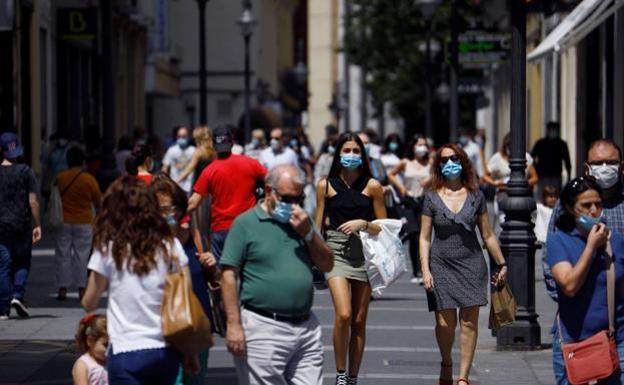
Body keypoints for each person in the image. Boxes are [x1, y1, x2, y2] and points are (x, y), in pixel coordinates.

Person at [221, 164, 334, 385]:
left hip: (305, 326)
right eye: (287, 198)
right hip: (264, 327)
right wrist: (233, 325)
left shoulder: (302, 220)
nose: (292, 205)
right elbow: (228, 275)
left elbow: (327, 264)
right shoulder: (246, 224)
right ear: (269, 190)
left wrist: (309, 234)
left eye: (298, 198)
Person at [82, 177, 197, 384]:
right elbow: (185, 300)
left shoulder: (109, 248)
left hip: (126, 350)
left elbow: (89, 302)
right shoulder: (170, 246)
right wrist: (190, 350)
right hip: (164, 351)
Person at [419, 143, 507, 385]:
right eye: (445, 160)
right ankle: (446, 361)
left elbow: (488, 235)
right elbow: (424, 237)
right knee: (444, 324)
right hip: (440, 265)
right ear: (438, 166)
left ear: (463, 162)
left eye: (455, 158)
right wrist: (425, 270)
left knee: (468, 322)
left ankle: (463, 378)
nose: (450, 164)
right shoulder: (431, 198)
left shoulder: (476, 196)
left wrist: (501, 262)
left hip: (471, 264)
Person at [314, 133, 387, 385]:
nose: (352, 155)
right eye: (347, 150)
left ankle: (353, 377)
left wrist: (364, 223)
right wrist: (314, 255)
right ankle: (341, 373)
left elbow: (384, 227)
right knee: (343, 314)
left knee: (358, 319)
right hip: (336, 252)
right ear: (338, 154)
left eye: (357, 151)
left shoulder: (373, 186)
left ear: (363, 156)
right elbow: (317, 224)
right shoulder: (325, 185)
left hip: (364, 254)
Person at [546, 177, 624, 385]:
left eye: (598, 204)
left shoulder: (615, 241)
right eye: (586, 205)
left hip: (614, 340)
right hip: (574, 341)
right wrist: (590, 247)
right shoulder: (559, 241)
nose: (593, 211)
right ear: (571, 209)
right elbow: (569, 286)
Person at [150, 174, 215, 385]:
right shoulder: (146, 245)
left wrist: (212, 266)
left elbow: (212, 279)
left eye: (172, 208)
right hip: (164, 329)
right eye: (161, 209)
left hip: (196, 324)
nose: (168, 214)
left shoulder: (194, 237)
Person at [543, 139, 624, 301]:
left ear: (621, 167)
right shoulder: (569, 202)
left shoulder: (615, 238)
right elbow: (550, 257)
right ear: (587, 168)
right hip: (580, 301)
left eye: (610, 162)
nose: (604, 167)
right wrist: (567, 300)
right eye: (598, 163)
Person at [188, 125, 267, 260]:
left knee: (224, 273)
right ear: (232, 143)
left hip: (221, 230)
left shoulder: (209, 171)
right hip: (249, 226)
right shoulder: (251, 163)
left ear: (213, 145)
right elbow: (272, 181)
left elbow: (193, 204)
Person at [0, 132, 41, 319]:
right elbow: (33, 201)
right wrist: (37, 224)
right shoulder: (26, 172)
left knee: (4, 264)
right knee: (23, 261)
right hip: (22, 225)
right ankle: (17, 295)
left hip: (2, 226)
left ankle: (3, 308)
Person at [54, 146, 102, 301]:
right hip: (84, 222)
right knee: (81, 256)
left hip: (64, 221)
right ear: (82, 161)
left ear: (68, 160)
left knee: (63, 255)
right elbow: (98, 200)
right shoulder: (89, 179)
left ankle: (62, 289)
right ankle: (82, 289)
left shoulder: (60, 178)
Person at [388, 135, 432, 284]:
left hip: (425, 201)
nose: (422, 148)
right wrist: (401, 187)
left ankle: (425, 268)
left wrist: (431, 179)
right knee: (414, 234)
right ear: (413, 147)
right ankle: (417, 270)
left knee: (424, 235)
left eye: (424, 145)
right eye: (419, 145)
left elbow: (439, 174)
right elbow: (391, 174)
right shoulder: (405, 162)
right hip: (409, 201)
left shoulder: (430, 162)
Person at [483, 133, 539, 229]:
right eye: (508, 146)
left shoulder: (526, 157)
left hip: (522, 195)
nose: (510, 148)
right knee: (504, 223)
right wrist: (495, 183)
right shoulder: (497, 158)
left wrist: (524, 183)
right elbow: (485, 176)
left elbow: (535, 178)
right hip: (503, 194)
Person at [531, 121, 572, 196]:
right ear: (547, 130)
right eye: (551, 129)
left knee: (554, 196)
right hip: (542, 175)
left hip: (556, 176)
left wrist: (569, 176)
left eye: (555, 129)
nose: (553, 132)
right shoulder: (540, 143)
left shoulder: (562, 144)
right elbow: (531, 158)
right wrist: (535, 170)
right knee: (543, 195)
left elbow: (567, 161)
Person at [72, 314, 109, 385]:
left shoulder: (110, 361)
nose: (110, 349)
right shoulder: (83, 365)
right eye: (106, 345)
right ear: (90, 341)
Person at [162, 126, 196, 194]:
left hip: (188, 187)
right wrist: (166, 183)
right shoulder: (171, 150)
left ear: (188, 136)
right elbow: (165, 168)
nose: (181, 138)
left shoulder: (193, 150)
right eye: (179, 136)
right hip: (174, 187)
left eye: (183, 136)